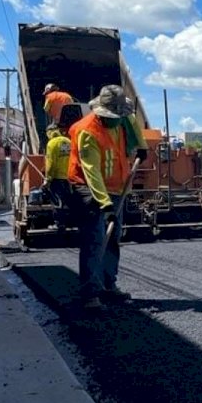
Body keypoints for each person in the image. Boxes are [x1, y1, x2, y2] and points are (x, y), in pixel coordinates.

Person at [67, 85, 147, 310]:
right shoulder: (86, 131)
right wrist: (105, 204)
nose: (118, 120)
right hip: (87, 188)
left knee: (113, 239)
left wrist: (141, 146)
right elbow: (91, 172)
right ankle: (90, 293)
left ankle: (109, 286)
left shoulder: (121, 121)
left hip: (116, 187)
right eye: (114, 116)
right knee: (95, 239)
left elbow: (130, 121)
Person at [43, 105, 79, 230]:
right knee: (70, 201)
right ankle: (74, 222)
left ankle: (59, 224)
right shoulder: (68, 141)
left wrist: (48, 179)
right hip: (70, 177)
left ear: (50, 132)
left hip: (57, 178)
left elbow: (51, 163)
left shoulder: (51, 143)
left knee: (57, 202)